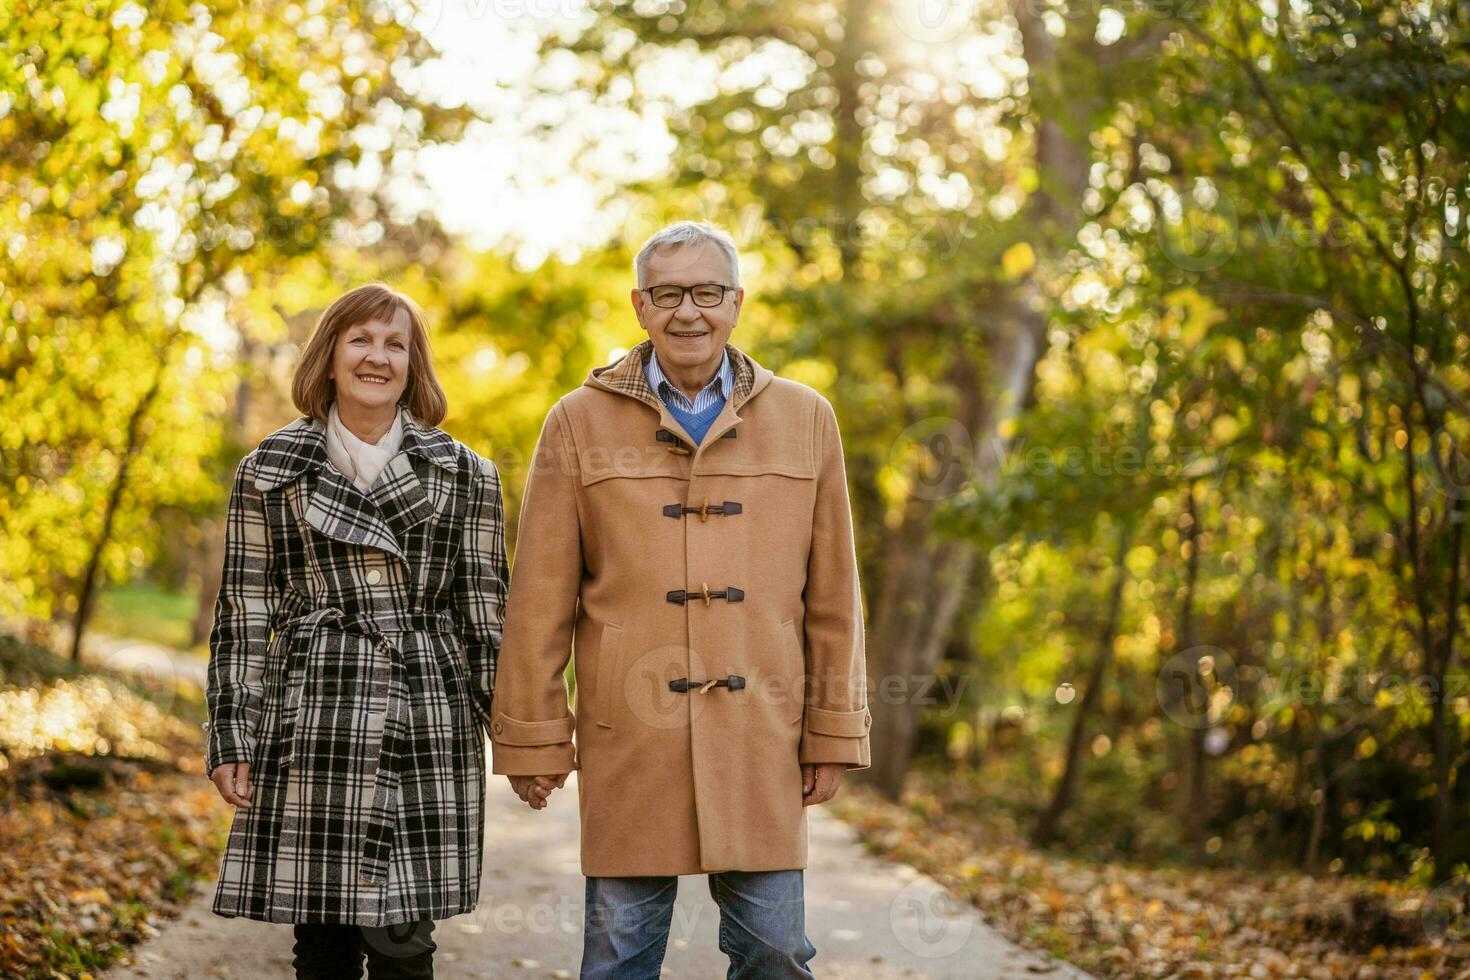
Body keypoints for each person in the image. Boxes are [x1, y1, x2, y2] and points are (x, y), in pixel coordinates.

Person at [489, 220, 871, 979]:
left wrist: (832, 732)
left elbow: (833, 598)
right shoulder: (577, 421)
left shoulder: (806, 418)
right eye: (668, 294)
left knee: (777, 956)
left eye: (706, 292)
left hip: (763, 733)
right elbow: (539, 601)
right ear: (640, 305)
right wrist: (534, 739)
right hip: (630, 733)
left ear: (735, 303)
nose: (687, 312)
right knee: (618, 959)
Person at [204, 283, 508, 979]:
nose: (378, 357)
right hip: (313, 719)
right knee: (325, 941)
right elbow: (244, 613)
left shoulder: (467, 476)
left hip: (424, 713)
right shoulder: (269, 471)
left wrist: (522, 742)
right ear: (331, 358)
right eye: (361, 340)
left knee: (403, 939)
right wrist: (232, 734)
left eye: (395, 343)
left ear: (414, 363)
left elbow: (489, 618)